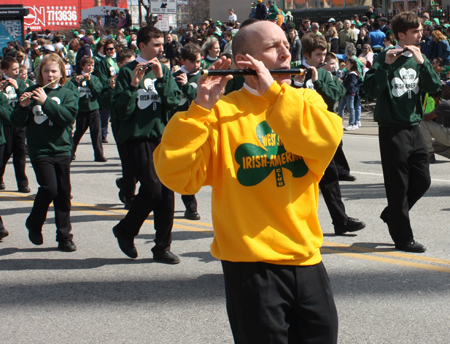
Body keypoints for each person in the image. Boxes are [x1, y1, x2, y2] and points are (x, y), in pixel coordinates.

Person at [154, 21, 339, 343]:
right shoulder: (219, 112)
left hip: (306, 256)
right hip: (250, 264)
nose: (285, 51)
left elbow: (324, 142)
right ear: (245, 62)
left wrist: (274, 93)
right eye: (272, 47)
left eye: (286, 43)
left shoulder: (305, 101)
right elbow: (177, 176)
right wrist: (199, 110)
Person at [362, 12, 441, 253]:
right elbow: (370, 91)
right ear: (401, 35)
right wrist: (385, 66)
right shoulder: (383, 57)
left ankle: (392, 214)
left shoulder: (419, 57)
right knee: (397, 186)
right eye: (416, 31)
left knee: (423, 180)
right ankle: (403, 238)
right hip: (392, 129)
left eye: (421, 30)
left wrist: (423, 63)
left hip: (414, 126)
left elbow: (435, 87)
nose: (421, 34)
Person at [111, 26, 182, 263]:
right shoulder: (126, 71)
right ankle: (125, 230)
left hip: (161, 136)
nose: (162, 49)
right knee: (152, 189)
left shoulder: (164, 70)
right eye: (156, 45)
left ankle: (162, 246)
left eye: (162, 44)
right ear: (142, 46)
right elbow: (121, 111)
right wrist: (133, 85)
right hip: (137, 137)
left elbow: (173, 101)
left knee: (166, 192)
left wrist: (162, 78)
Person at [0, 53, 78, 252]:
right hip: (40, 149)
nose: (49, 75)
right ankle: (34, 223)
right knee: (50, 188)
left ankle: (64, 236)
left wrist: (46, 102)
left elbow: (67, 118)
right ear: (40, 73)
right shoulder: (31, 91)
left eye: (54, 71)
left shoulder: (68, 92)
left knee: (63, 193)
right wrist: (24, 106)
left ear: (61, 73)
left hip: (62, 148)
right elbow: (16, 121)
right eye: (46, 71)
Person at [295, 33, 364, 233]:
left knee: (330, 177)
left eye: (324, 54)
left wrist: (318, 81)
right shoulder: (294, 73)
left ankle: (340, 221)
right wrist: (299, 83)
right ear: (306, 54)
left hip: (321, 133)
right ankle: (296, 223)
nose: (322, 59)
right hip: (300, 133)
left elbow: (335, 96)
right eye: (318, 54)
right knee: (300, 180)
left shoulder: (325, 74)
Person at [172, 43, 203, 221]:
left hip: (197, 126)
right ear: (183, 61)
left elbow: (201, 97)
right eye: (193, 62)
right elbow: (169, 98)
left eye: (199, 61)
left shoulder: (202, 76)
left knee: (194, 168)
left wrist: (188, 87)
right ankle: (190, 206)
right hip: (179, 127)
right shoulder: (175, 76)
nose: (197, 65)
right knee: (183, 168)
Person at [0, 56, 30, 193]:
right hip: (5, 124)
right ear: (4, 70)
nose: (17, 71)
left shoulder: (20, 82)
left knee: (20, 153)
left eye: (18, 68)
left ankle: (22, 182)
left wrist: (18, 88)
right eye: (14, 69)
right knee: (5, 152)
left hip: (19, 123)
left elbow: (25, 99)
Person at [70, 56, 106, 162]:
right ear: (82, 66)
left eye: (92, 65)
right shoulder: (76, 78)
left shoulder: (95, 79)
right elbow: (71, 92)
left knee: (96, 132)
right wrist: (76, 82)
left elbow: (97, 92)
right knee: (78, 132)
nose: (90, 67)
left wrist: (89, 81)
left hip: (93, 109)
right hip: (82, 109)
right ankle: (71, 153)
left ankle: (99, 155)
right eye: (88, 65)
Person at [420, 91, 450, 163]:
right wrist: (437, 101)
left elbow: (426, 117)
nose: (442, 90)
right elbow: (442, 111)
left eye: (444, 88)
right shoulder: (446, 104)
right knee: (434, 145)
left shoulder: (447, 104)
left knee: (423, 122)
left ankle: (429, 154)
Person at [338, 58, 361, 130]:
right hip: (345, 92)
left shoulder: (353, 74)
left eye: (347, 64)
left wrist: (344, 86)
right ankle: (340, 123)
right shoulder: (348, 73)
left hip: (350, 93)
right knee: (340, 107)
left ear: (351, 65)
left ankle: (352, 123)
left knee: (350, 108)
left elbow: (352, 84)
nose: (346, 66)